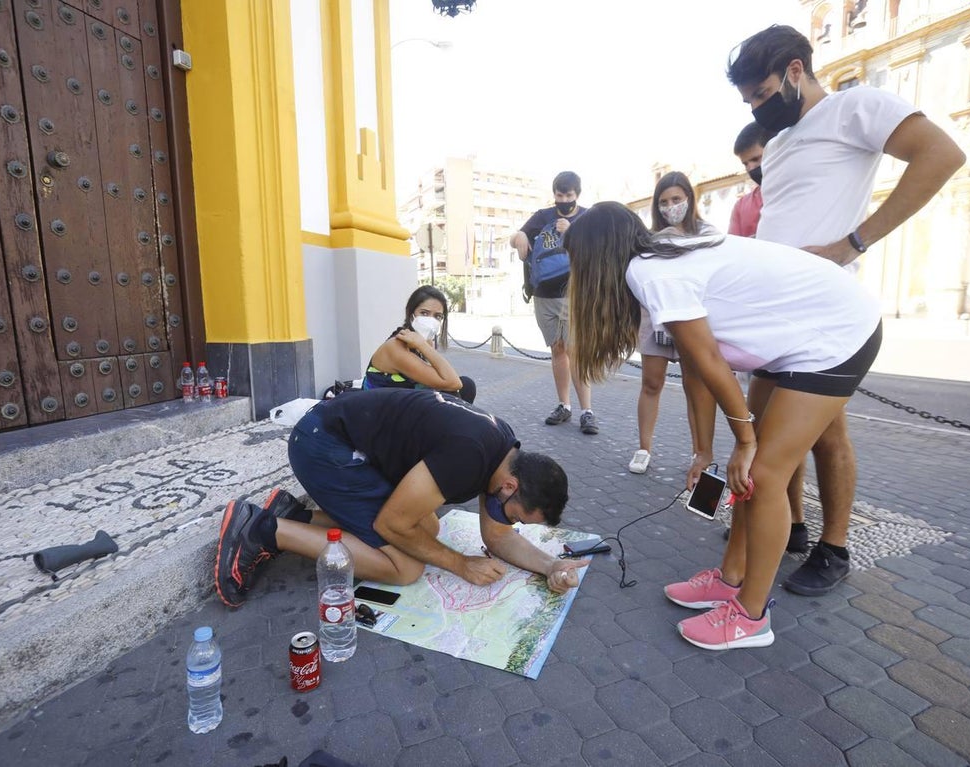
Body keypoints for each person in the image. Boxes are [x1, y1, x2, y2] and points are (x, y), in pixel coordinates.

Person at [564, 202, 882, 650]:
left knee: (763, 474)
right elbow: (697, 367)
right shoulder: (661, 260)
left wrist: (746, 440)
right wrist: (704, 452)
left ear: (595, 258)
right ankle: (731, 579)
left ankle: (751, 617)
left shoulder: (650, 273)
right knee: (745, 473)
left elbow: (713, 363)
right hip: (791, 338)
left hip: (836, 332)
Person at [727, 24, 965, 596]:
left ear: (794, 71)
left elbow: (943, 155)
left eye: (761, 95)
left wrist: (851, 243)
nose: (757, 109)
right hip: (775, 315)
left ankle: (834, 549)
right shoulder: (779, 142)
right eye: (747, 102)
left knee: (826, 438)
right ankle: (796, 529)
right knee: (769, 437)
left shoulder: (856, 106)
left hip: (823, 316)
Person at [214, 388, 583, 608]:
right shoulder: (469, 455)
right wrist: (459, 563)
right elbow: (390, 524)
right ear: (510, 488)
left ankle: (297, 517)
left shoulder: (504, 454)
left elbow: (498, 537)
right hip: (321, 445)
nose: (511, 523)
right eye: (517, 517)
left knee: (429, 524)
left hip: (344, 441)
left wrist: (551, 566)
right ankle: (262, 529)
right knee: (405, 568)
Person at [724, 122, 809, 553]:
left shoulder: (803, 193)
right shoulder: (745, 206)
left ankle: (814, 532)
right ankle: (754, 531)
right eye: (748, 164)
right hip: (767, 335)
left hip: (812, 335)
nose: (755, 168)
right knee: (765, 449)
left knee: (809, 444)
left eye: (758, 158)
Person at [629, 172, 716, 475]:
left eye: (677, 199)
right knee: (651, 382)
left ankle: (700, 453)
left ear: (690, 199)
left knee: (698, 386)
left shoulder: (709, 234)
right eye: (664, 202)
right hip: (655, 318)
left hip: (694, 320)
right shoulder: (650, 239)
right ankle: (644, 448)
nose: (671, 207)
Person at [510, 171, 598, 435]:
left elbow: (598, 252)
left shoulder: (587, 218)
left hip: (575, 294)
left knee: (575, 350)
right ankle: (564, 405)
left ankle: (587, 411)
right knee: (558, 350)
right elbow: (515, 238)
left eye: (569, 195)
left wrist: (572, 233)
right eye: (559, 196)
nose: (564, 200)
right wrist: (521, 236)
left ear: (577, 195)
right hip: (544, 295)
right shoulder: (543, 216)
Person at [362, 285, 476, 403]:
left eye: (437, 316)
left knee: (467, 385)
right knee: (450, 393)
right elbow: (453, 383)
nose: (431, 320)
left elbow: (447, 378)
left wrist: (425, 346)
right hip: (381, 411)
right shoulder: (396, 347)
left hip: (404, 402)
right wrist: (424, 346)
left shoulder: (418, 342)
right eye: (424, 313)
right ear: (411, 314)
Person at [727, 122, 771, 238]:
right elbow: (735, 249)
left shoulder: (797, 190)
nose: (750, 168)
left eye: (756, 159)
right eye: (745, 164)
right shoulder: (741, 206)